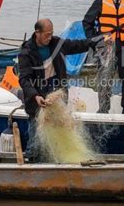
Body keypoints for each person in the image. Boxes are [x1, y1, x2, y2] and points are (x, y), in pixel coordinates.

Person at [18, 18, 102, 161]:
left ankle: (55, 161)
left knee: (59, 130)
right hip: (37, 99)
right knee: (36, 139)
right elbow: (24, 79)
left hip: (56, 95)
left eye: (51, 34)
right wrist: (35, 96)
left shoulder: (56, 43)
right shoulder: (26, 52)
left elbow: (78, 45)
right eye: (47, 35)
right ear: (37, 33)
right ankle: (31, 163)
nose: (50, 37)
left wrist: (98, 41)